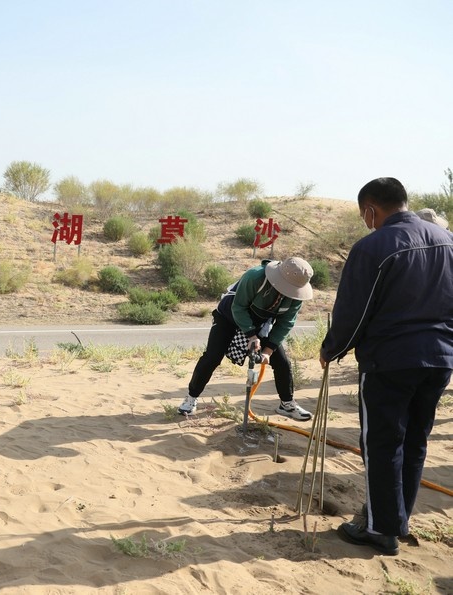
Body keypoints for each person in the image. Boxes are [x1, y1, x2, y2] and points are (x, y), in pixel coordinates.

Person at [320, 177, 453, 556]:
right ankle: (398, 519)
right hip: (440, 359)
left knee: (382, 444)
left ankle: (380, 530)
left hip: (390, 361)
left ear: (370, 210)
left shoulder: (373, 246)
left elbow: (353, 311)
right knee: (415, 441)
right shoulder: (448, 240)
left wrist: (332, 348)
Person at [177, 257, 315, 421]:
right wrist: (251, 335)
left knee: (282, 362)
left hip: (261, 323)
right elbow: (238, 307)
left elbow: (285, 323)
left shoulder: (296, 294)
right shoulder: (254, 277)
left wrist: (268, 351)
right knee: (212, 357)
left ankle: (287, 404)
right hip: (229, 317)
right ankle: (191, 397)